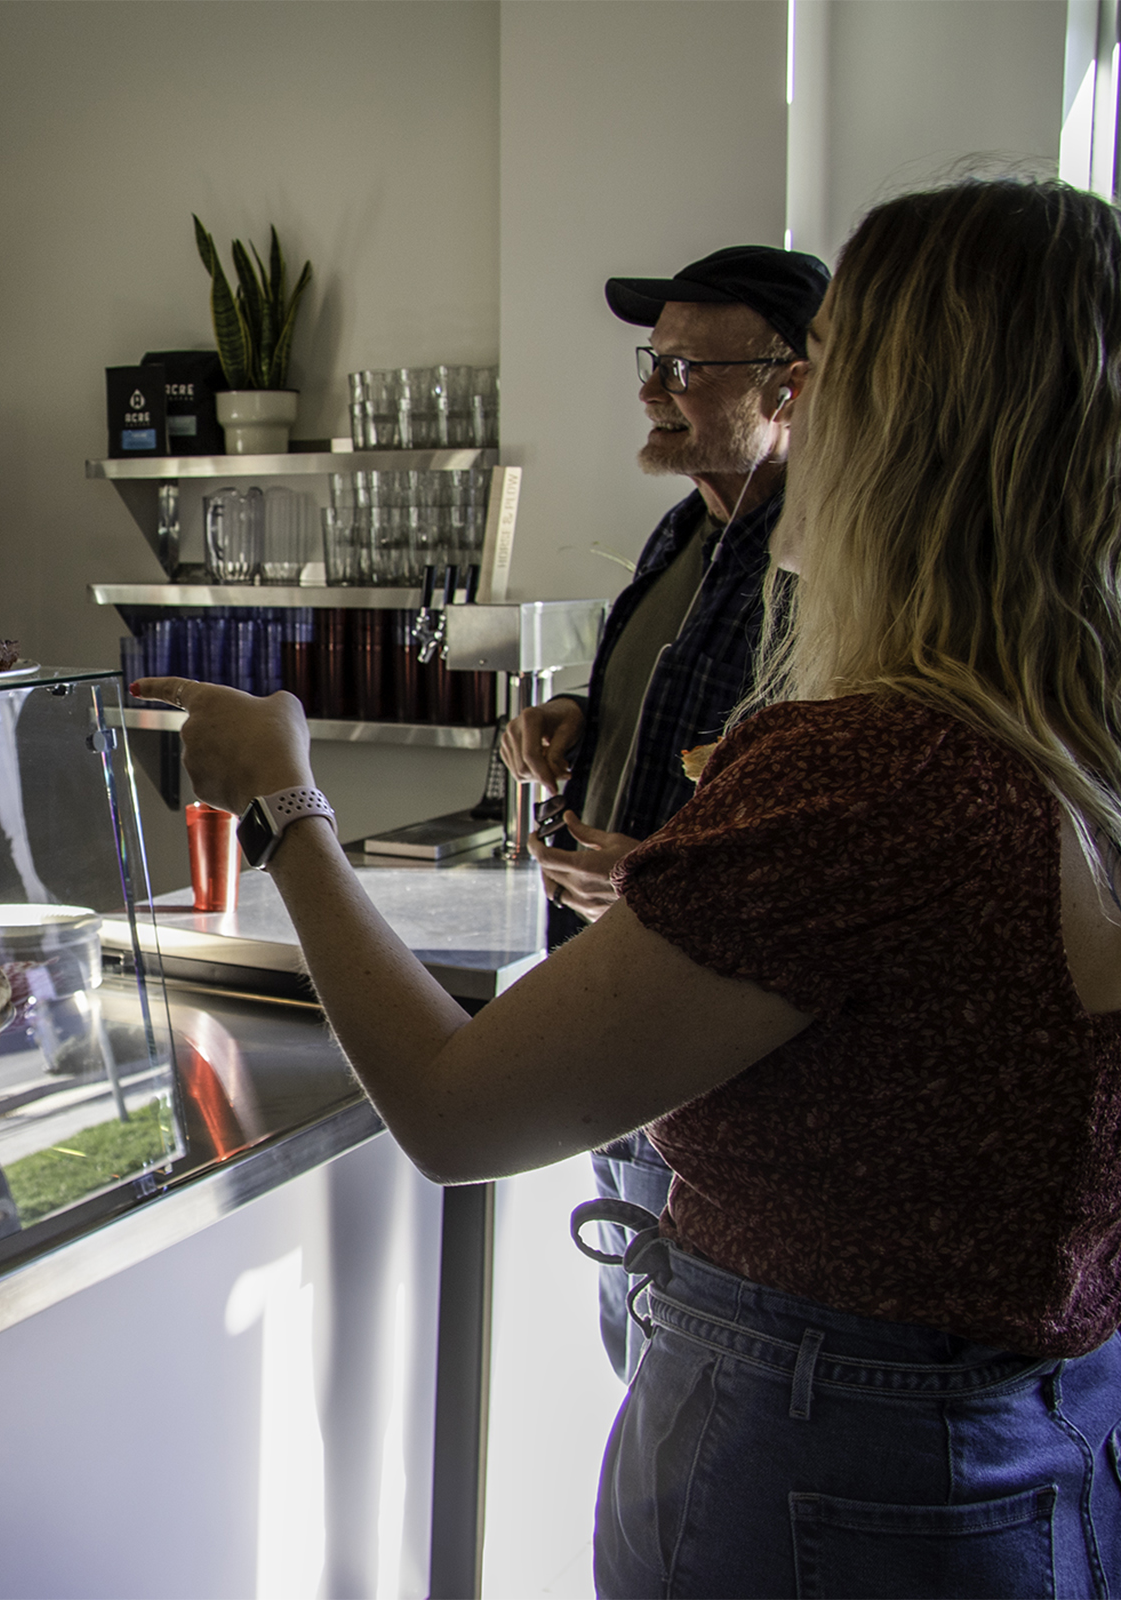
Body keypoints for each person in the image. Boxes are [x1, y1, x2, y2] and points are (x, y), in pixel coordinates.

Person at [140, 177, 1121, 1596]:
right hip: (1043, 1442)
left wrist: (288, 803)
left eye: (824, 373)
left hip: (832, 1468)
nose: (800, 409)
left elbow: (458, 1111)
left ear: (911, 425)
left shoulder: (876, 771)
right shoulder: (1064, 746)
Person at [498, 244, 828, 1380]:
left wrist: (649, 877)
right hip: (617, 1008)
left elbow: (817, 831)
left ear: (786, 386)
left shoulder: (823, 565)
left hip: (708, 1050)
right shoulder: (685, 528)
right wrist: (584, 717)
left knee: (674, 1370)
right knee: (637, 1348)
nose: (651, 389)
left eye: (685, 368)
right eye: (652, 361)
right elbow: (678, 708)